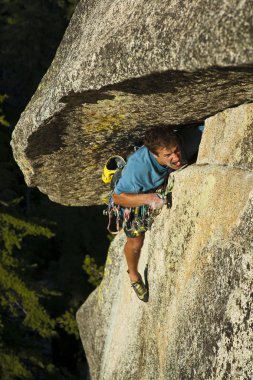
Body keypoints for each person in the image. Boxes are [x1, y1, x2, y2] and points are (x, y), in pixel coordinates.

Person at [112, 125, 204, 301]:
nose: (176, 157)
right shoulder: (138, 169)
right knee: (136, 240)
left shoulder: (186, 139)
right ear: (155, 155)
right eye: (168, 155)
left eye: (176, 151)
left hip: (156, 185)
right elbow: (118, 198)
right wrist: (149, 199)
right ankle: (133, 274)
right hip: (135, 194)